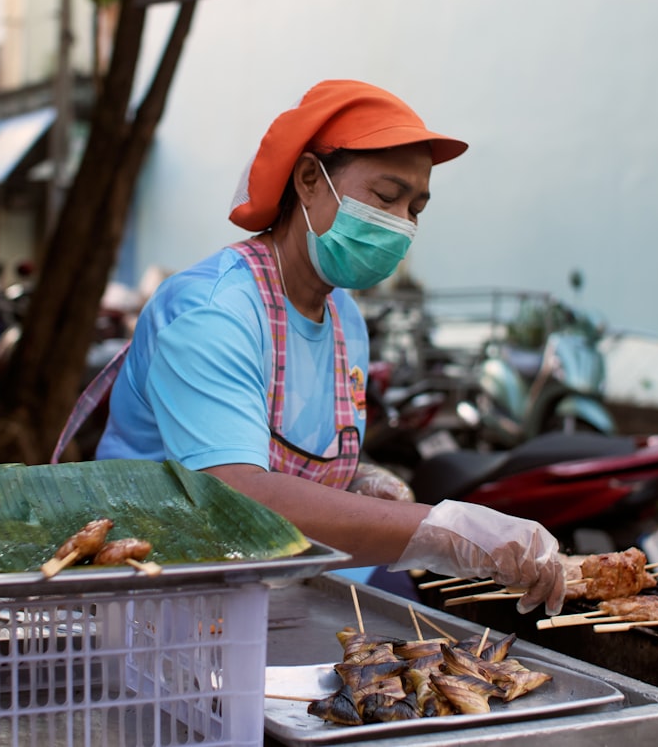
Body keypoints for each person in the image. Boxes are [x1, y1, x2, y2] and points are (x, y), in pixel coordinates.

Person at [92, 79, 566, 615]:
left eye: (415, 208)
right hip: (168, 598)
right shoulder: (214, 311)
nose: (401, 225)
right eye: (386, 198)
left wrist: (357, 480)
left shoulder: (345, 319)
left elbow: (288, 452)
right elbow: (235, 495)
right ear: (311, 180)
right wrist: (445, 528)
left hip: (284, 582)